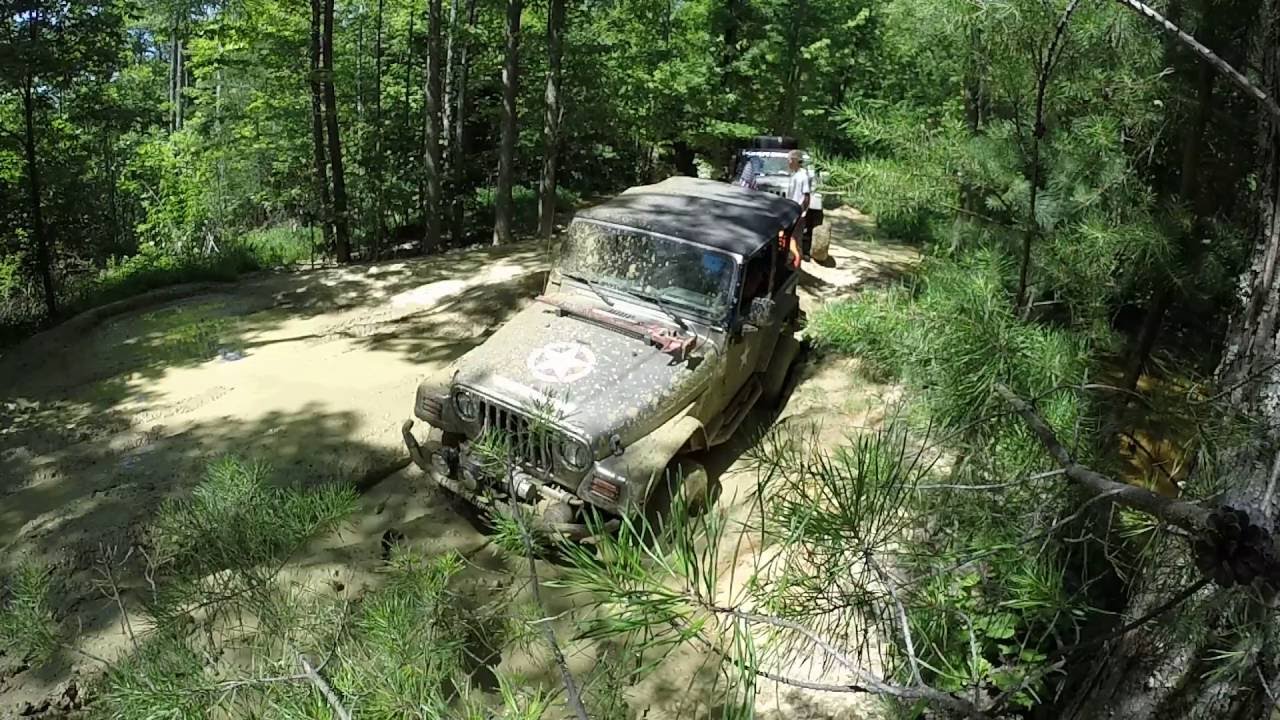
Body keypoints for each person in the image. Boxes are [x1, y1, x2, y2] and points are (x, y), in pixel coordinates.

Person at [786, 149, 811, 264]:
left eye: (789, 160)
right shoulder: (794, 175)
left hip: (798, 213)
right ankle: (790, 261)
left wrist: (801, 213)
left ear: (795, 160)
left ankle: (797, 264)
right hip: (791, 212)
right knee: (789, 239)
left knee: (796, 239)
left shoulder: (803, 176)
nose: (788, 162)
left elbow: (806, 196)